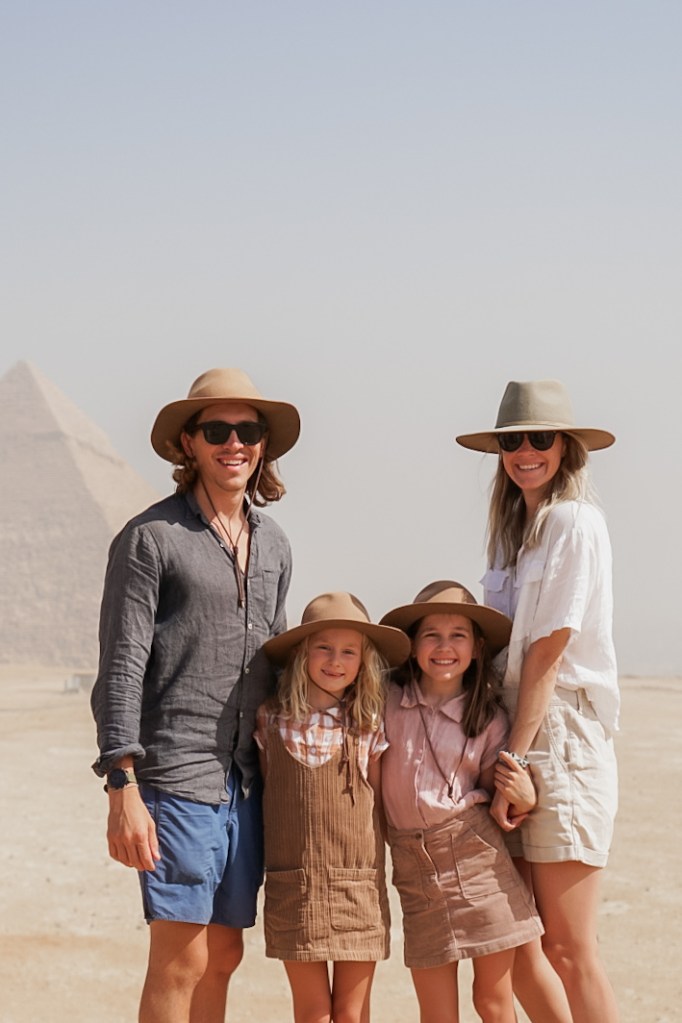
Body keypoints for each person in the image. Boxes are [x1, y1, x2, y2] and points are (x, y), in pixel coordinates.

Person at [90, 367, 300, 1023]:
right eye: (217, 430)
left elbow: (278, 663)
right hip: (177, 773)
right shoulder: (151, 538)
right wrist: (121, 784)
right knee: (180, 958)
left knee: (224, 953)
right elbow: (121, 664)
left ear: (263, 443)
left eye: (248, 430)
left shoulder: (275, 545)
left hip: (246, 782)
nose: (234, 443)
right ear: (189, 442)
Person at [456, 378, 620, 1023]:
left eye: (540, 438)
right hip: (514, 727)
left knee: (568, 947)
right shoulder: (513, 532)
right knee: (518, 943)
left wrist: (514, 762)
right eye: (512, 441)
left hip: (558, 734)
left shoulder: (574, 523)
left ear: (566, 447)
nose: (525, 451)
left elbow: (548, 653)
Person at [379, 581, 543, 1023]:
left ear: (477, 648)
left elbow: (500, 796)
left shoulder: (487, 717)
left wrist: (525, 798)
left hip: (478, 863)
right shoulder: (385, 701)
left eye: (458, 636)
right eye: (431, 635)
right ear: (412, 645)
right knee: (436, 1012)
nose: (444, 647)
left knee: (492, 1000)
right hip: (414, 871)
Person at [256, 592, 410, 1023]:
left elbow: (378, 804)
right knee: (313, 1014)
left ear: (364, 662)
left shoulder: (368, 724)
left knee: (351, 1013)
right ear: (301, 653)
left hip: (357, 888)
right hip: (294, 886)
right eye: (323, 647)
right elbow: (272, 789)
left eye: (349, 652)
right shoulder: (270, 719)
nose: (335, 661)